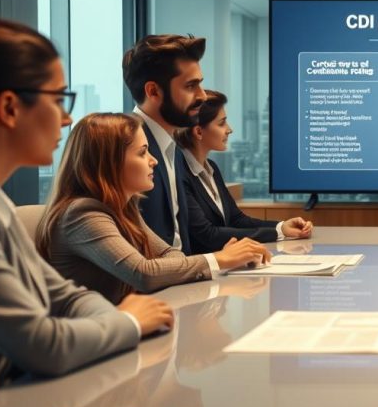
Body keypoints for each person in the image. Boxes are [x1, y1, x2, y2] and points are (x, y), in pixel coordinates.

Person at [0, 0, 172, 407]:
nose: (67, 119)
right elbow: (43, 346)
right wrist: (129, 321)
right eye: (58, 100)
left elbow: (65, 298)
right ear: (10, 107)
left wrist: (116, 320)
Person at [37, 113, 272, 304]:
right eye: (142, 153)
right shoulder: (82, 215)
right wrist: (220, 259)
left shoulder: (123, 208)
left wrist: (219, 259)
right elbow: (144, 274)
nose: (154, 160)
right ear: (108, 163)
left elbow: (169, 254)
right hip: (92, 345)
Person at [175, 90, 312, 253]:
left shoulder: (211, 167)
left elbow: (236, 219)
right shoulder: (180, 174)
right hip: (205, 272)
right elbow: (207, 235)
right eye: (221, 123)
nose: (229, 129)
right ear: (198, 132)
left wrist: (281, 226)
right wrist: (277, 233)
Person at [123, 34, 209, 255]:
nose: (203, 96)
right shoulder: (122, 148)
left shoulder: (174, 150)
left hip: (184, 281)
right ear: (153, 91)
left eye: (200, 84)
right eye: (191, 86)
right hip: (150, 285)